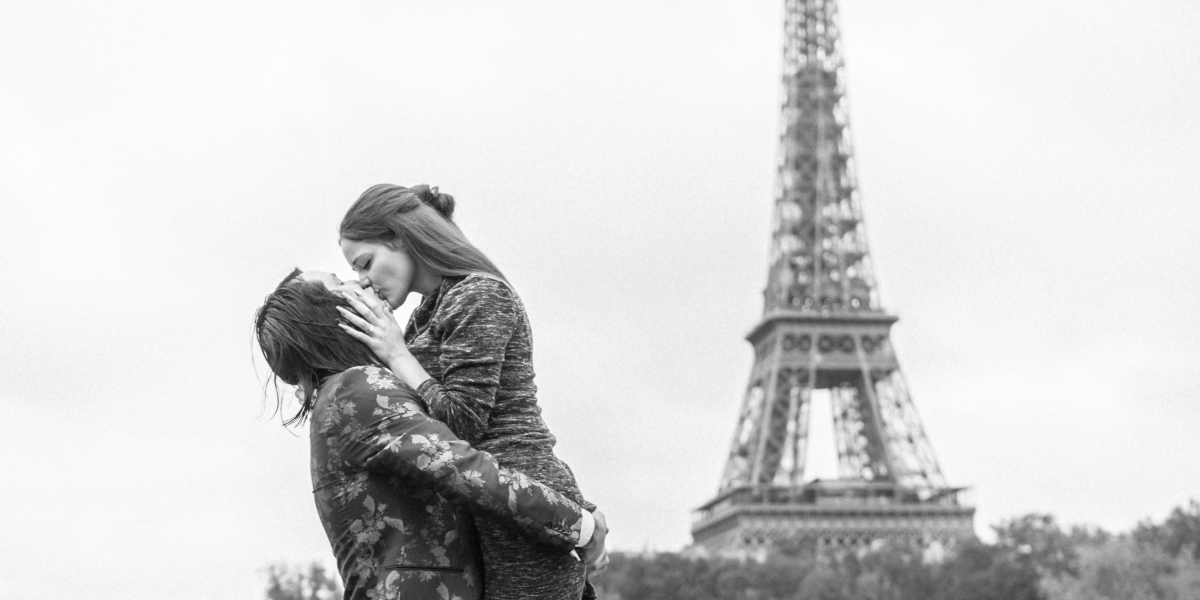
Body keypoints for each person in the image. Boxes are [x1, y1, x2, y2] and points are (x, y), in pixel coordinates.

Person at [254, 269, 609, 600]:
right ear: (333, 319)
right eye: (340, 281)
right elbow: (466, 470)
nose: (361, 282)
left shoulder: (347, 393)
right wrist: (580, 524)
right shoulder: (357, 390)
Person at [335, 184, 601, 600]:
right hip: (488, 507)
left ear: (401, 238)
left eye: (365, 263)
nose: (364, 281)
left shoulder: (479, 294)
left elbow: (462, 422)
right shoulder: (427, 313)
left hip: (521, 511)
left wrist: (397, 353)